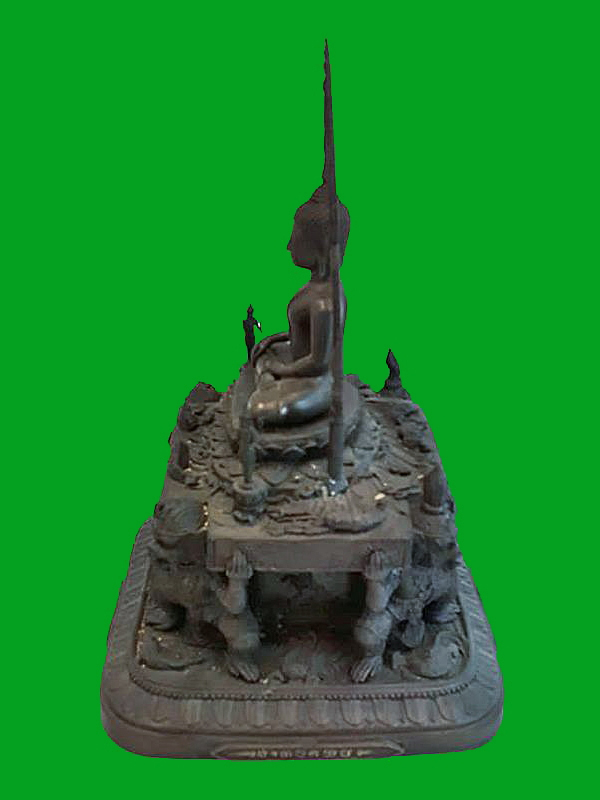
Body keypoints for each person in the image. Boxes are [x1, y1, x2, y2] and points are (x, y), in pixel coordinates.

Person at [248, 184, 350, 427]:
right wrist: (275, 339)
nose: (289, 245)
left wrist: (280, 370)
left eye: (296, 238)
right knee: (262, 354)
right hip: (296, 362)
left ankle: (270, 382)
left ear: (319, 246)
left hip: (316, 380)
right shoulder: (313, 287)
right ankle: (270, 379)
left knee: (263, 408)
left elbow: (318, 363)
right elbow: (306, 335)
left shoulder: (325, 302)